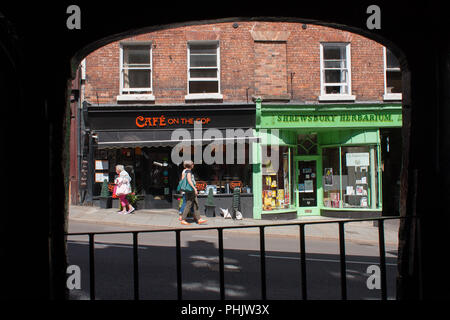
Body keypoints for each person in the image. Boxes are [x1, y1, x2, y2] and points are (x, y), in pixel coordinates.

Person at [180, 160, 207, 225]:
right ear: (190, 165)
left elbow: (183, 180)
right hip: (190, 190)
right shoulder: (188, 171)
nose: (193, 165)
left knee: (195, 204)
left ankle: (199, 219)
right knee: (189, 204)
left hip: (187, 190)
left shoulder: (184, 171)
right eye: (192, 164)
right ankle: (183, 219)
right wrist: (194, 188)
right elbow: (189, 180)